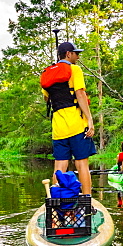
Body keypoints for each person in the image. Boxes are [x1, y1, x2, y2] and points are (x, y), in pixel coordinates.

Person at [41, 41, 96, 194]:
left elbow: (47, 99)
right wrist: (90, 119)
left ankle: (58, 201)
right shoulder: (75, 70)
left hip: (58, 127)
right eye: (76, 53)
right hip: (77, 125)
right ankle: (86, 201)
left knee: (59, 166)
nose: (77, 57)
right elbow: (80, 94)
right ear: (68, 54)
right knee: (82, 165)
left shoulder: (47, 74)